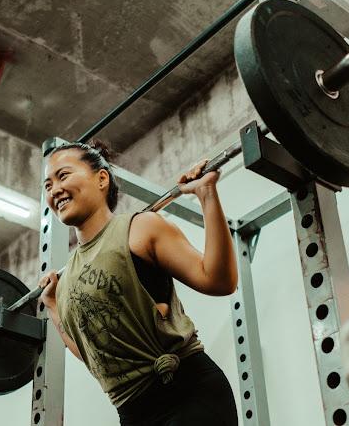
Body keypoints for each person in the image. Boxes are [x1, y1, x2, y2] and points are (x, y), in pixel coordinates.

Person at [39, 141, 239, 426]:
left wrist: (206, 193)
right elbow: (92, 352)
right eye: (48, 185)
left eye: (63, 176)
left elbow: (219, 281)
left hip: (186, 395)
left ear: (102, 179)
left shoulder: (140, 228)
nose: (54, 190)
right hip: (133, 413)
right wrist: (52, 306)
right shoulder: (69, 276)